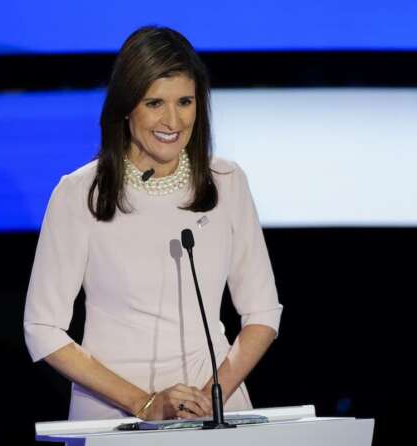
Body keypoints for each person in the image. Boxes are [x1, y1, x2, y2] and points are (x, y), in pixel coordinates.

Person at [23, 26, 283, 421]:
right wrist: (143, 404)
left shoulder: (226, 182)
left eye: (185, 102)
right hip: (114, 414)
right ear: (127, 106)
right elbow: (42, 328)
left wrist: (209, 397)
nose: (173, 120)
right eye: (154, 103)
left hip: (215, 411)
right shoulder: (79, 193)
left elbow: (263, 313)